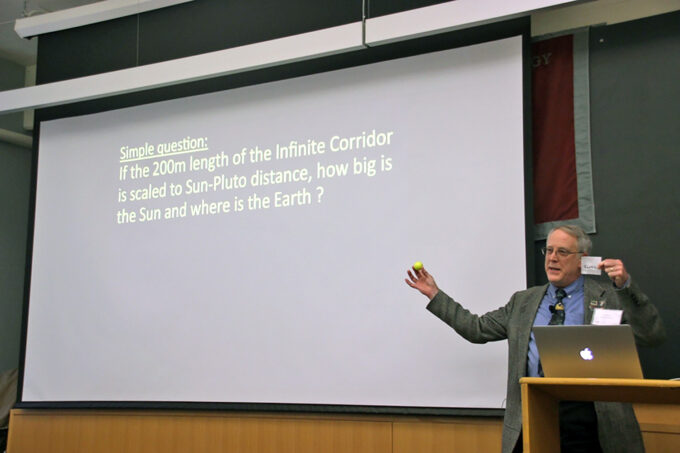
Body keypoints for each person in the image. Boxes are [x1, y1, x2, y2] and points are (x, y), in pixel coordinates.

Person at [405, 225, 665, 453]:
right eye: (549, 251)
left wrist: (626, 287)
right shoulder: (524, 301)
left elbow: (650, 335)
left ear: (581, 260)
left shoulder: (608, 296)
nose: (552, 258)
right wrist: (435, 294)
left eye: (562, 252)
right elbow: (476, 329)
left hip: (590, 420)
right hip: (532, 414)